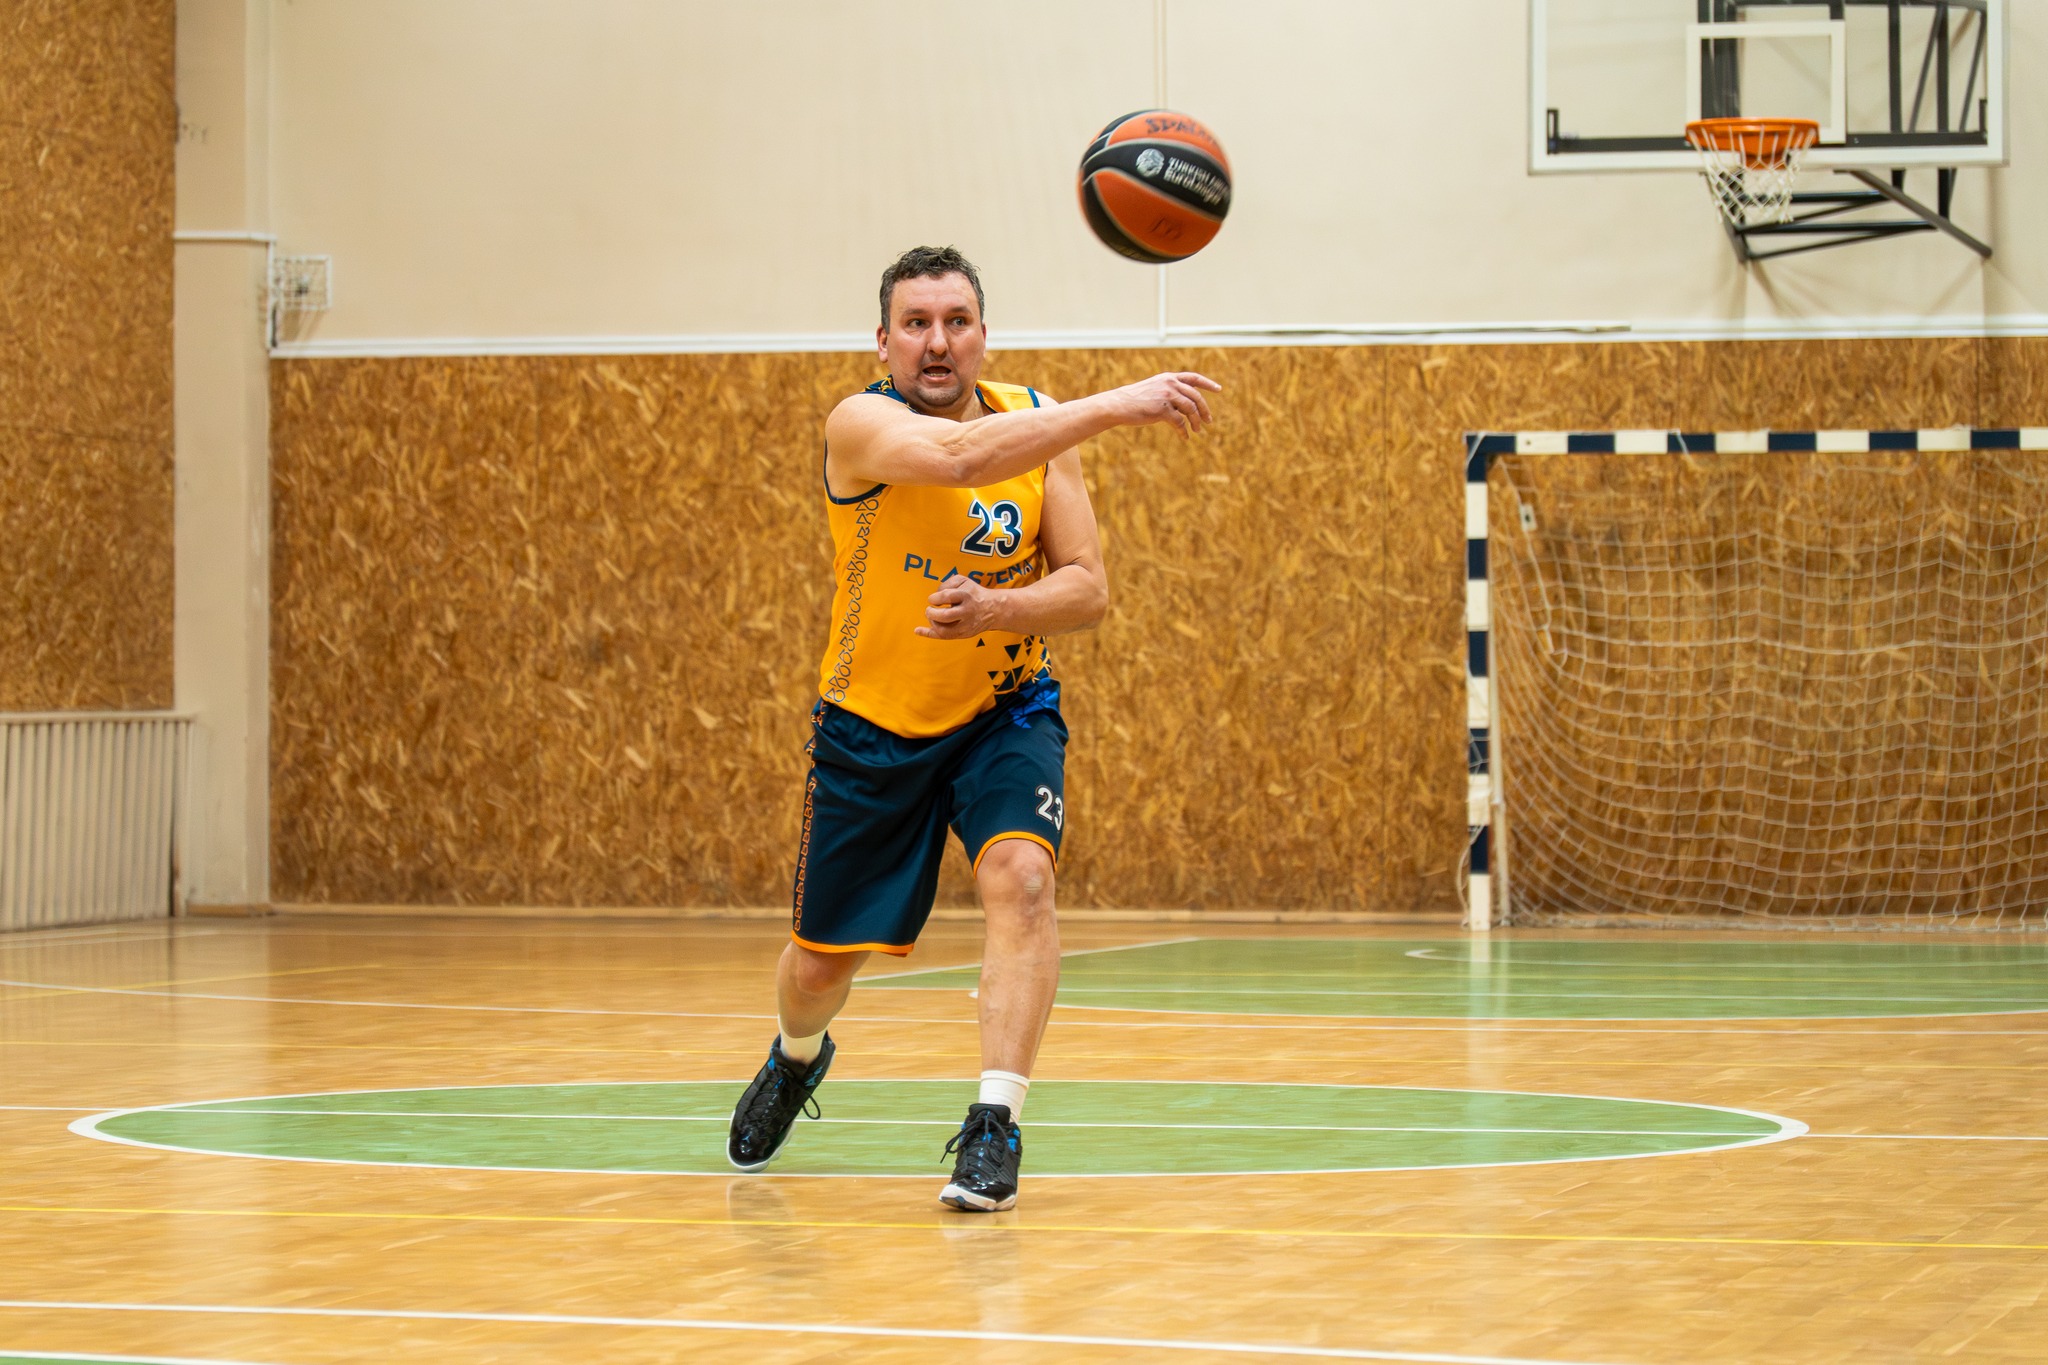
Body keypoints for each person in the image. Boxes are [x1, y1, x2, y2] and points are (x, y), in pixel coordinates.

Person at [726, 245, 1220, 1211]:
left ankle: (995, 1123)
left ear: (984, 335)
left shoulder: (1038, 422)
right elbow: (959, 459)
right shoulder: (860, 424)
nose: (937, 342)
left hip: (1004, 707)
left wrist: (1001, 610)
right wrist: (1120, 403)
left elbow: (1088, 589)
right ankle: (795, 1055)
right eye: (916, 324)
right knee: (818, 966)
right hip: (872, 727)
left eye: (956, 321)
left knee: (1023, 880)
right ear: (883, 343)